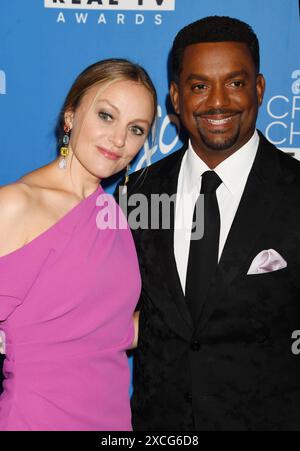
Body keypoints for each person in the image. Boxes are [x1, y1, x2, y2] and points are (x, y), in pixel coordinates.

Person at [116, 16, 300, 430]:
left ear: (259, 88)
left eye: (235, 83)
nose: (218, 101)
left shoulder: (294, 192)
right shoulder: (140, 193)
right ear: (176, 97)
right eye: (199, 86)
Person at [0, 58, 157, 430]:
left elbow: (113, 332)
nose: (119, 140)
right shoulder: (16, 203)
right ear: (70, 117)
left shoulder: (114, 216)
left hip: (113, 422)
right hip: (35, 418)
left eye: (136, 129)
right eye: (106, 116)